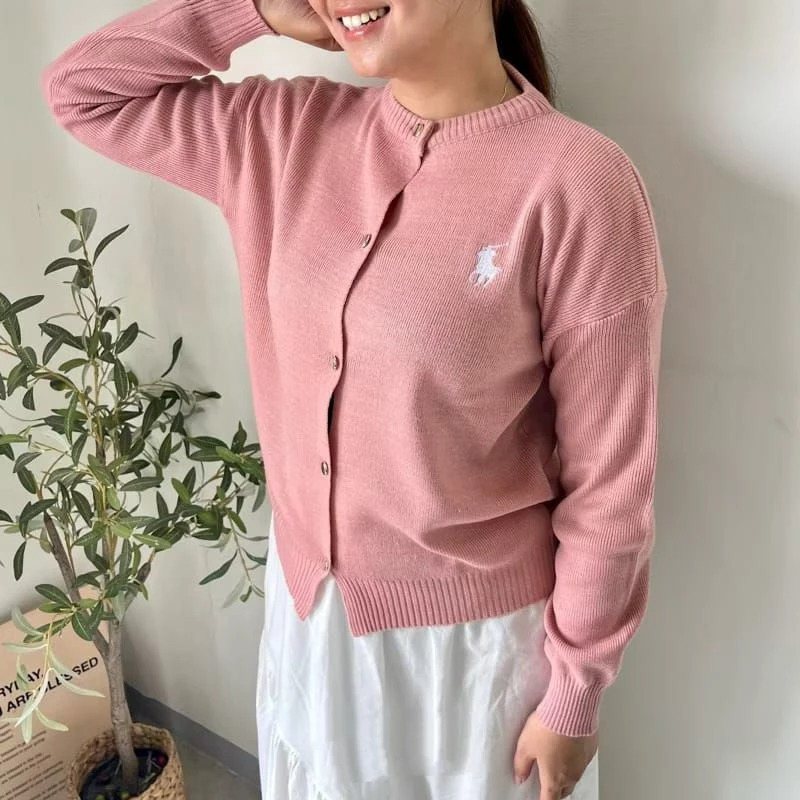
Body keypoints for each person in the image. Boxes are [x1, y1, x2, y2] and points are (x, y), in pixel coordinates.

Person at [41, 0, 667, 797]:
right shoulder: (282, 134)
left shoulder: (579, 181)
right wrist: (255, 12)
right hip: (311, 622)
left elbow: (610, 484)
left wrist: (576, 689)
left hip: (472, 658)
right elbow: (82, 91)